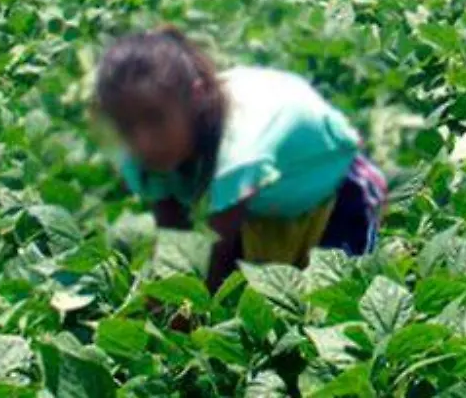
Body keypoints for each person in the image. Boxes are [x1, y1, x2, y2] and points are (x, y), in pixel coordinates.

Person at [96, 27, 387, 293]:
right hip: (267, 205)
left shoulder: (239, 153)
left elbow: (215, 260)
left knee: (338, 298)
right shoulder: (144, 155)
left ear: (196, 97)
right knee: (258, 300)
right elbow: (175, 242)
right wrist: (165, 299)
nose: (143, 141)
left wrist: (183, 322)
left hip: (338, 190)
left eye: (155, 119)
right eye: (126, 127)